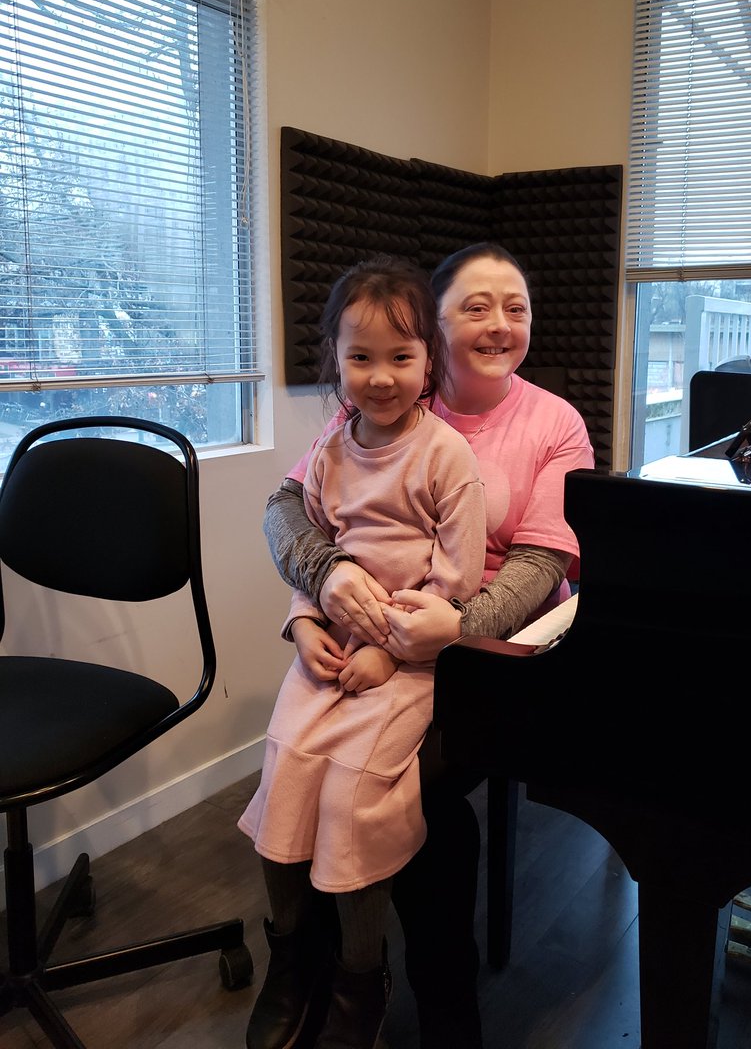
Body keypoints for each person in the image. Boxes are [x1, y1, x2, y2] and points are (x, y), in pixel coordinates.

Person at [261, 242, 595, 1049]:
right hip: (369, 625)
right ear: (433, 325)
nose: (500, 322)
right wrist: (323, 581)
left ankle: (434, 993)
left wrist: (457, 625)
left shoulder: (554, 421)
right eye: (475, 305)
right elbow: (286, 509)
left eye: (515, 305)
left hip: (484, 652)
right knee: (292, 758)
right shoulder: (382, 404)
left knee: (423, 793)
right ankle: (305, 955)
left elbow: (544, 561)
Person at [239, 255, 486, 1049]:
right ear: (335, 361)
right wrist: (303, 624)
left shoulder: (446, 456)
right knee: (282, 770)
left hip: (404, 661)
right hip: (327, 651)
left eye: (401, 358)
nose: (380, 378)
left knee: (350, 800)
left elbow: (456, 580)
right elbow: (310, 538)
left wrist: (390, 651)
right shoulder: (331, 450)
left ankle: (360, 972)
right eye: (360, 358)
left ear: (430, 364)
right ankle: (291, 958)